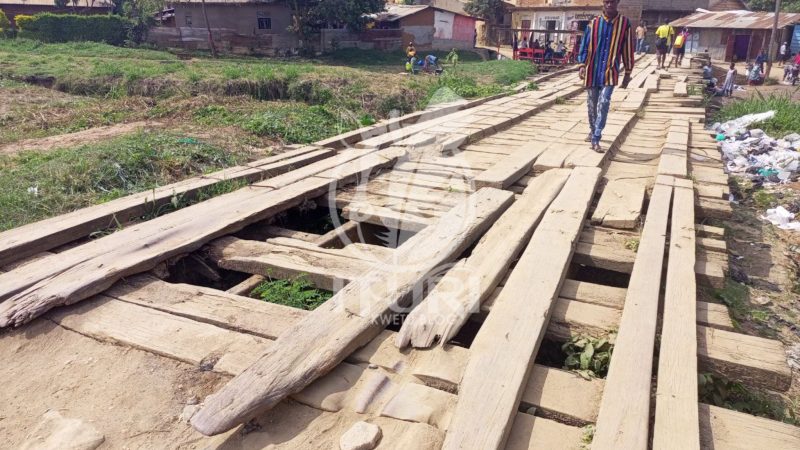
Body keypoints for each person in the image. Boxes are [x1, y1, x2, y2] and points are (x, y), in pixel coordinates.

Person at [577, 0, 634, 153]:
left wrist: (628, 72)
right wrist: (582, 65)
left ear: (618, 3)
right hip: (592, 71)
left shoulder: (625, 24)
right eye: (607, 1)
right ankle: (592, 129)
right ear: (603, 3)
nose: (610, 4)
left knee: (604, 102)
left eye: (613, 2)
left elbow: (628, 48)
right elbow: (584, 45)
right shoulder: (593, 24)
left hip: (610, 71)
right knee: (591, 104)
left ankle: (596, 137)